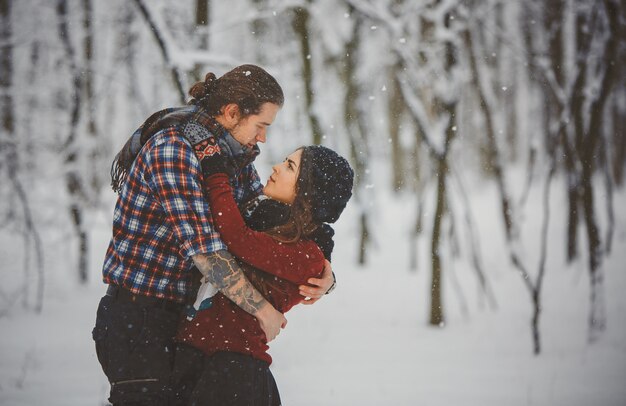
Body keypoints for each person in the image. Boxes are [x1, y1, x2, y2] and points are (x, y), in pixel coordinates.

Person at [92, 64, 335, 405]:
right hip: (141, 318)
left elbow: (260, 227)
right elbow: (208, 253)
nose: (263, 138)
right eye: (261, 125)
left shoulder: (229, 158)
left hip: (183, 319)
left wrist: (323, 270)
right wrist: (264, 310)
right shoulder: (173, 150)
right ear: (233, 112)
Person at [170, 144, 354, 405]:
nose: (276, 167)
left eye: (290, 166)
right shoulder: (266, 220)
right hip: (197, 358)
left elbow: (237, 238)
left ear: (310, 193)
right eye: (284, 160)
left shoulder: (307, 253)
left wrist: (215, 170)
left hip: (232, 370)